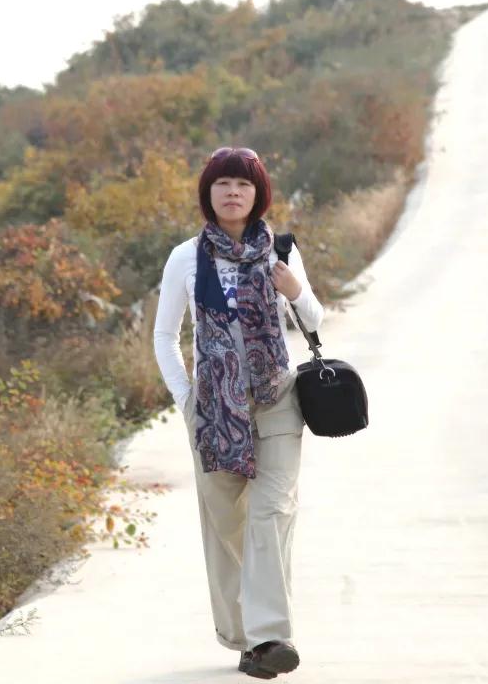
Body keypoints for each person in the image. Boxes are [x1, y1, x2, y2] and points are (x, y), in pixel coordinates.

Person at [153, 146, 324, 679]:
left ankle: (270, 637)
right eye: (223, 183)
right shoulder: (185, 257)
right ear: (209, 192)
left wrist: (295, 290)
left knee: (271, 514)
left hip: (277, 399)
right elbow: (165, 336)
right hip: (214, 409)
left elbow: (315, 318)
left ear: (258, 194)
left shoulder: (282, 251)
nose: (233, 192)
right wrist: (186, 398)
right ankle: (245, 639)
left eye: (244, 184)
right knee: (228, 525)